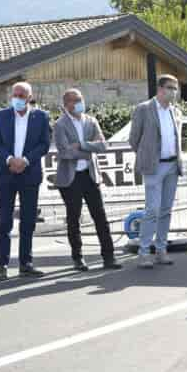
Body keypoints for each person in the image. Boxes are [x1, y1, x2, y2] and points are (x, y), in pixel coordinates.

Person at [52, 87, 120, 272]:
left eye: (81, 98)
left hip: (90, 176)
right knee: (74, 218)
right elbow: (64, 151)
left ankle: (109, 256)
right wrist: (89, 151)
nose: (80, 102)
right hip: (70, 179)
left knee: (100, 216)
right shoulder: (60, 124)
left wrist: (82, 145)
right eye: (75, 100)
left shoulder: (91, 121)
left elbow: (103, 145)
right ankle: (78, 258)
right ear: (66, 105)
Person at [0, 81, 50, 281]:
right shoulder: (3, 115)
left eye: (21, 95)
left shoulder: (41, 117)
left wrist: (25, 160)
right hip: (6, 173)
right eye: (15, 95)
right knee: (4, 220)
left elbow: (44, 144)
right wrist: (9, 159)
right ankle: (3, 265)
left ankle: (26, 263)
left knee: (28, 220)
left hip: (29, 173)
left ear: (29, 97)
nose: (17, 98)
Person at [128, 75, 184, 269]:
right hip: (153, 166)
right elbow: (134, 139)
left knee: (166, 210)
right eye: (170, 87)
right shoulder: (144, 109)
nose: (174, 92)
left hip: (171, 166)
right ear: (160, 89)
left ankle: (161, 250)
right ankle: (144, 252)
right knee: (152, 209)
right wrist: (147, 155)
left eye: (176, 88)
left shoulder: (176, 111)